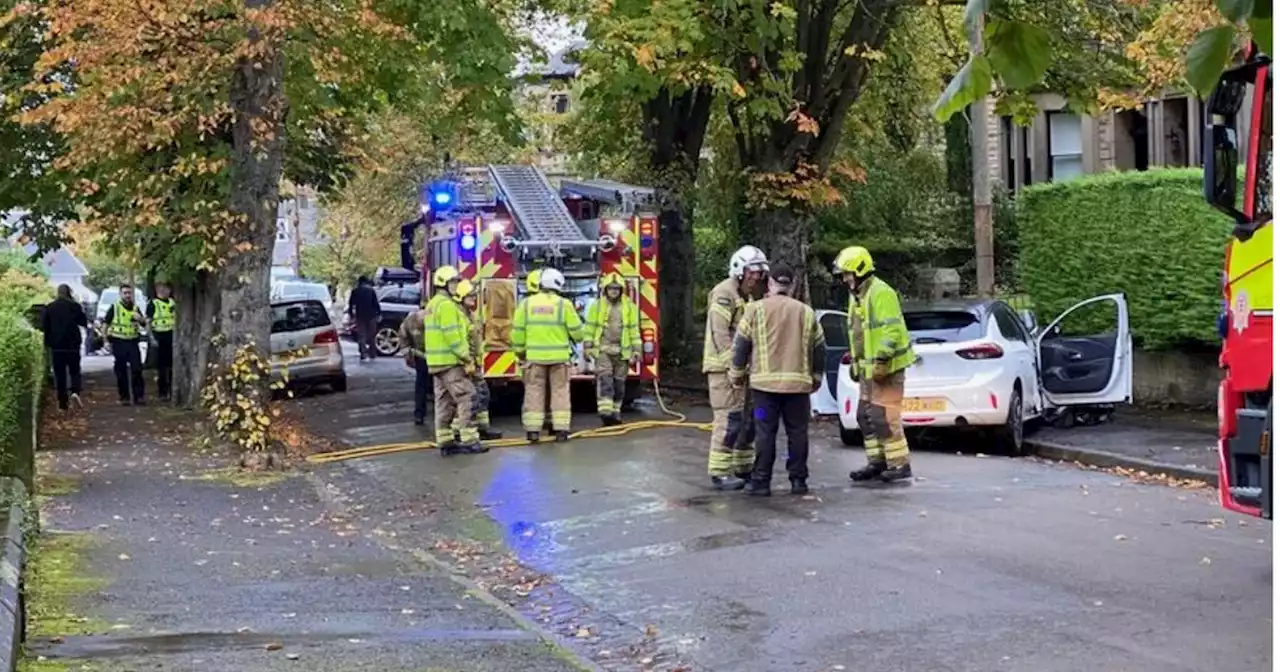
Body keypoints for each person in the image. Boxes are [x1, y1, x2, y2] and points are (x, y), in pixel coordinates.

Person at [728, 263, 825, 496]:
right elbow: (820, 348)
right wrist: (816, 377)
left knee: (765, 433)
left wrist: (737, 375)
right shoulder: (806, 312)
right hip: (798, 388)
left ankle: (761, 481)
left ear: (770, 283)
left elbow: (740, 346)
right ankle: (798, 480)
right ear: (791, 286)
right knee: (797, 433)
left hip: (764, 390)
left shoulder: (755, 310)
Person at [836, 246, 916, 483]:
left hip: (887, 368)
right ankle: (877, 462)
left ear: (859, 271)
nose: (844, 279)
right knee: (865, 415)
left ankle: (899, 464)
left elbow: (891, 330)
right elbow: (860, 335)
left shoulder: (881, 293)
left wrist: (881, 358)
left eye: (847, 273)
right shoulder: (858, 296)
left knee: (884, 416)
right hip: (869, 369)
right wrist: (856, 362)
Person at [701, 245, 769, 491]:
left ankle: (743, 468)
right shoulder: (723, 293)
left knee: (747, 421)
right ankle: (719, 473)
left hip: (743, 371)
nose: (756, 277)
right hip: (723, 371)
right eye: (752, 272)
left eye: (759, 273)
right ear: (739, 269)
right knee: (728, 420)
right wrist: (734, 366)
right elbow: (721, 333)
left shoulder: (747, 297)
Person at [512, 268, 583, 442]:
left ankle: (533, 430)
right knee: (560, 392)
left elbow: (518, 333)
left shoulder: (526, 304)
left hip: (534, 358)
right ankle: (560, 430)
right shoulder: (563, 304)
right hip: (559, 359)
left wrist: (520, 353)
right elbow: (578, 334)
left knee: (534, 391)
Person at [422, 266, 488, 456]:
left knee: (444, 402)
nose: (456, 286)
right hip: (451, 362)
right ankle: (469, 440)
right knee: (467, 396)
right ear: (443, 284)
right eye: (453, 282)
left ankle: (446, 441)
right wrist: (466, 357)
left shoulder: (432, 304)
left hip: (437, 363)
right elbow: (453, 336)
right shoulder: (447, 306)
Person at [583, 273, 640, 426]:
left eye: (616, 288)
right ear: (605, 289)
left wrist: (637, 350)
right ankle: (605, 413)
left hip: (623, 352)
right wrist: (587, 347)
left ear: (621, 290)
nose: (613, 291)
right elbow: (589, 328)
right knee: (605, 380)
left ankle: (615, 413)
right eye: (611, 288)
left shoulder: (630, 307)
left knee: (619, 384)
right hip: (603, 350)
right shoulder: (597, 306)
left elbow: (634, 331)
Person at [455, 279, 502, 440]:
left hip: (473, 362)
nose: (474, 299)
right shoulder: (459, 316)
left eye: (474, 296)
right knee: (469, 398)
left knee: (482, 393)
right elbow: (459, 340)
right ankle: (462, 431)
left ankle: (482, 428)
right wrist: (466, 360)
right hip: (464, 363)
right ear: (460, 296)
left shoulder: (470, 315)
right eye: (470, 296)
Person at [41, 284, 87, 411]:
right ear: (69, 293)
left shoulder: (50, 307)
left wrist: (49, 341)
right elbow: (83, 322)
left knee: (60, 375)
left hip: (57, 346)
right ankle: (75, 392)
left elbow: (44, 326)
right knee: (75, 371)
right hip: (73, 344)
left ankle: (62, 404)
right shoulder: (75, 306)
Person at [102, 284, 147, 405]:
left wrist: (140, 319)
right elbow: (105, 325)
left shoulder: (136, 308)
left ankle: (139, 396)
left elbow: (144, 324)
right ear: (120, 294)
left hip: (132, 342)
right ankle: (124, 397)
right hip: (119, 342)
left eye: (129, 293)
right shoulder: (114, 307)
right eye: (125, 293)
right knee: (121, 371)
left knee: (137, 369)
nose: (127, 295)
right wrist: (105, 340)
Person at [398, 295, 429, 426]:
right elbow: (403, 337)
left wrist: (408, 356)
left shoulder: (411, 320)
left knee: (422, 387)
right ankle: (419, 415)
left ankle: (420, 415)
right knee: (426, 388)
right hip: (426, 358)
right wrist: (408, 355)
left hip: (425, 357)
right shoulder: (411, 320)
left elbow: (403, 337)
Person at [146, 283, 176, 401]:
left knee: (172, 365)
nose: (164, 291)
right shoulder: (153, 304)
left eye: (167, 288)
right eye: (161, 288)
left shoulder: (173, 302)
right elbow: (148, 323)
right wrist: (152, 339)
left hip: (172, 336)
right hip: (159, 336)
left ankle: (172, 390)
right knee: (162, 367)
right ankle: (163, 392)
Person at [347, 275, 381, 361]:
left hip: (360, 315)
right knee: (371, 335)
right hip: (372, 315)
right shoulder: (371, 290)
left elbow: (351, 304)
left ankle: (363, 353)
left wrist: (351, 315)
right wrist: (379, 314)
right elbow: (376, 303)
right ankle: (372, 353)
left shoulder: (355, 291)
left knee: (361, 335)